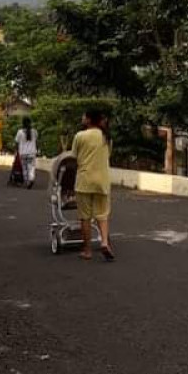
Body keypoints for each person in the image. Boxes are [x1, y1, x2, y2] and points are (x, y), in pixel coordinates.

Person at [72, 109, 114, 261]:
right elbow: (108, 155)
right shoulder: (106, 137)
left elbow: (74, 157)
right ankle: (104, 242)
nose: (82, 118)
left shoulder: (80, 136)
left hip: (84, 181)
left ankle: (87, 250)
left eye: (84, 116)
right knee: (102, 215)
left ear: (89, 119)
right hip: (102, 181)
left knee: (85, 217)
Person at [14, 117, 38, 188]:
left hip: (22, 153)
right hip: (32, 152)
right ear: (30, 123)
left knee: (24, 168)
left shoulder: (19, 132)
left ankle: (27, 182)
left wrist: (16, 151)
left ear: (22, 123)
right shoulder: (34, 131)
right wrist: (37, 149)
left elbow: (16, 143)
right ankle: (31, 179)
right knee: (31, 167)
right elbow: (36, 141)